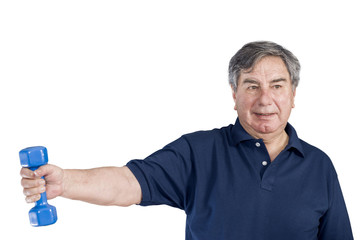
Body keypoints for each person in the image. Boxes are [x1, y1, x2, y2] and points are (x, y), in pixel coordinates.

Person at [20, 41, 354, 239]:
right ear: (234, 94)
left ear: (293, 95)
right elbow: (127, 183)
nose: (265, 99)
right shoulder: (198, 152)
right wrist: (66, 182)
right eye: (252, 86)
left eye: (277, 86)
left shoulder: (320, 166)